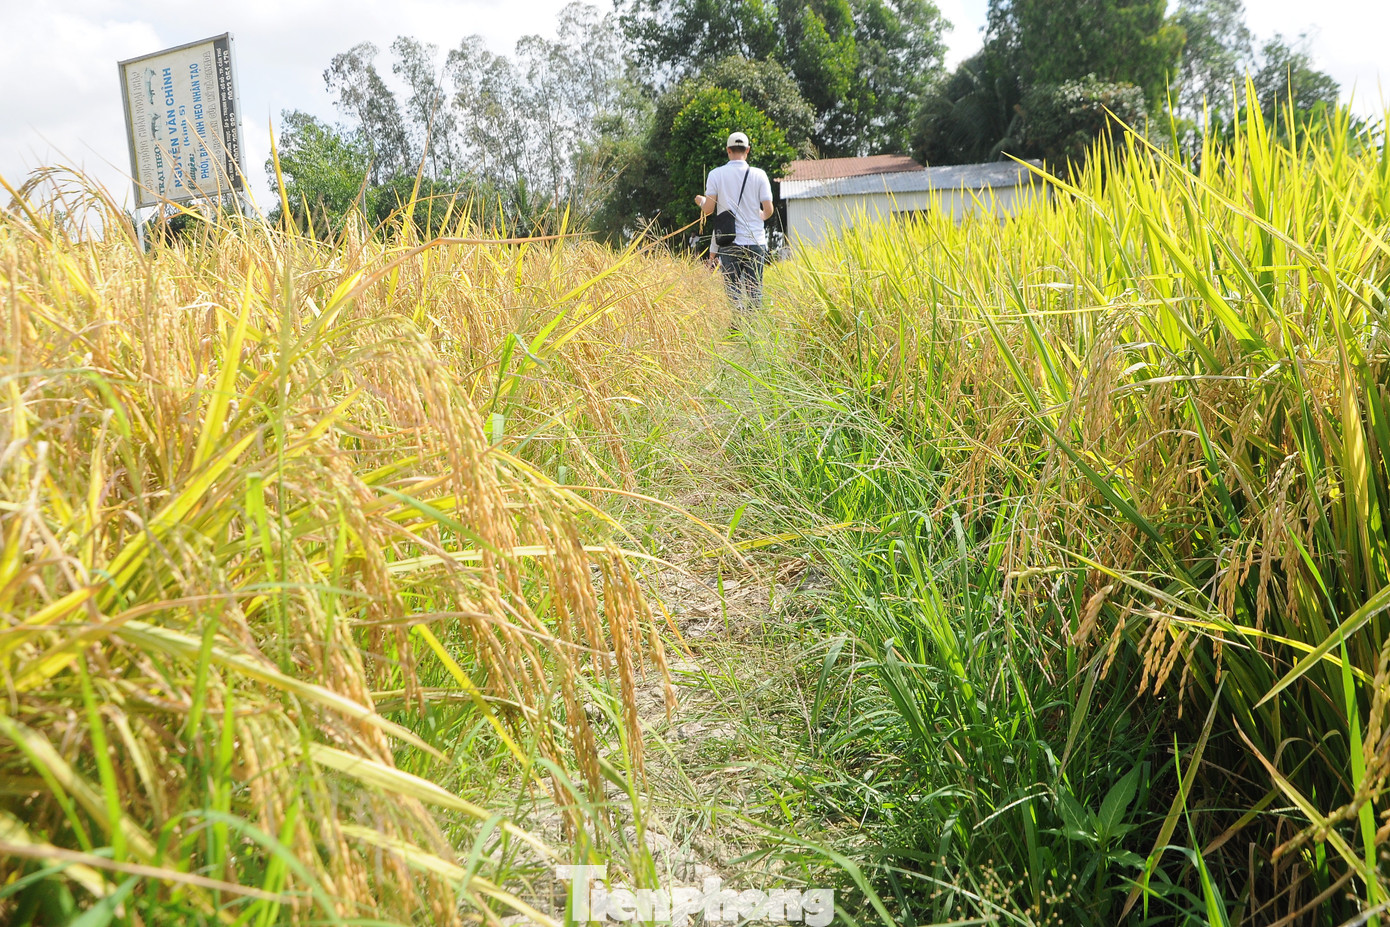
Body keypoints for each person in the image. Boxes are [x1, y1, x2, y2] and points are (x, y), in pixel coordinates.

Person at [694, 131, 774, 312]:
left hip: (730, 241)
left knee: (733, 292)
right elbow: (769, 209)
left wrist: (700, 201)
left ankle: (738, 324)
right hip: (755, 241)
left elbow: (708, 209)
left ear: (728, 150)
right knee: (755, 292)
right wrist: (760, 216)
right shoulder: (760, 174)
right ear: (748, 150)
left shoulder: (716, 174)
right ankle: (754, 327)